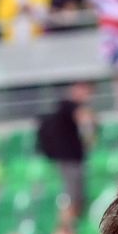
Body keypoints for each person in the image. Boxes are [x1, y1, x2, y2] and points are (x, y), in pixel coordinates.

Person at [38, 81, 94, 215]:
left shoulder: (65, 107)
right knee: (72, 194)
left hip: (71, 158)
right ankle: (68, 224)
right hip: (70, 159)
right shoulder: (69, 106)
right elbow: (86, 122)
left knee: (75, 194)